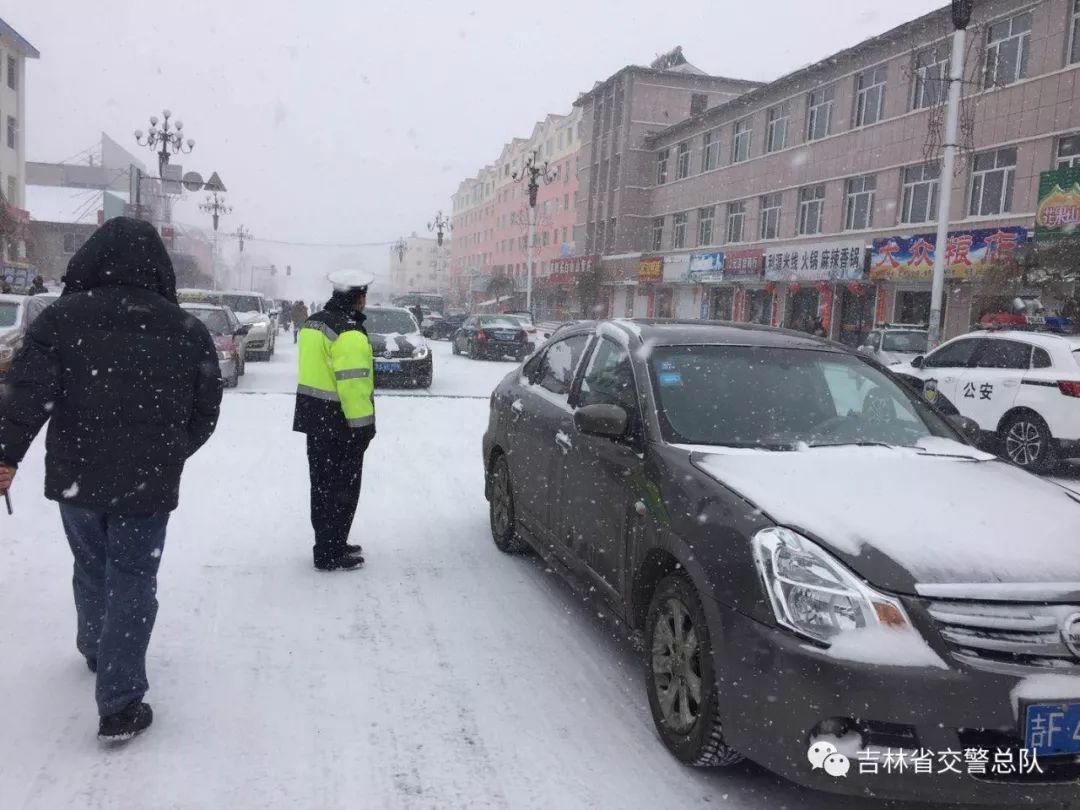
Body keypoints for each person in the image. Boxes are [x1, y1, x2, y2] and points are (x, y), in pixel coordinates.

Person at [0, 217, 222, 742]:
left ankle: (99, 648)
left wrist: (5, 455)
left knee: (92, 562)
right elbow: (205, 409)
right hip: (147, 481)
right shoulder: (185, 329)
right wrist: (168, 451)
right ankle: (120, 703)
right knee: (133, 577)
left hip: (77, 475)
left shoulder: (60, 320)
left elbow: (26, 395)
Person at [293, 270, 375, 572]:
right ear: (359, 298)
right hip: (341, 423)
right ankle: (332, 551)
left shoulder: (313, 322)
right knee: (343, 488)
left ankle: (327, 542)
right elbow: (353, 384)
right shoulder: (349, 332)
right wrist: (364, 428)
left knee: (322, 486)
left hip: (315, 419)